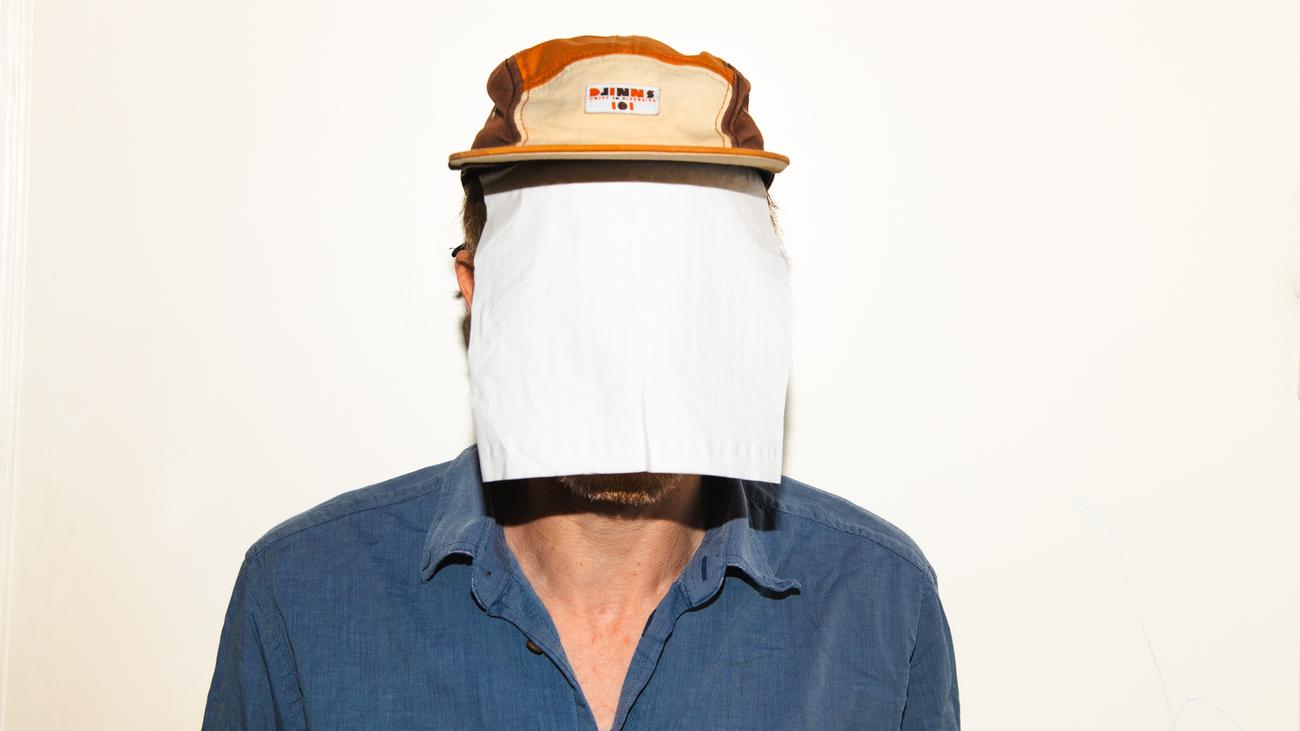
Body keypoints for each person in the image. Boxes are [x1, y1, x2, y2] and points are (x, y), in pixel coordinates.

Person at [202, 35, 959, 731]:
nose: (620, 331)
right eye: (569, 270)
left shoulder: (879, 605)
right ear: (478, 291)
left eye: (677, 270)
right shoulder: (300, 600)